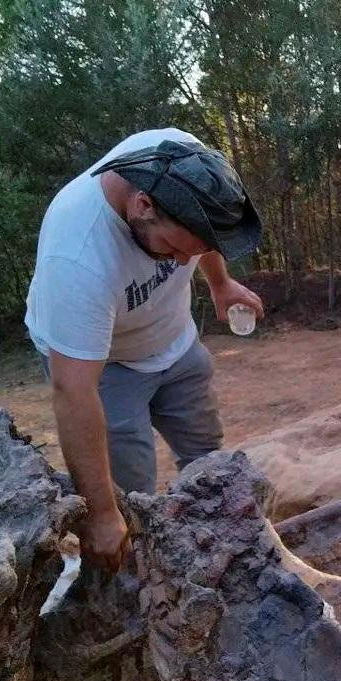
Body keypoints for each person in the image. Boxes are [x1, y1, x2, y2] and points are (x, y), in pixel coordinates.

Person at [24, 128, 264, 572]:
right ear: (143, 205)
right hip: (106, 366)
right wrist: (98, 514)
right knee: (125, 499)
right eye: (172, 249)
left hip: (174, 343)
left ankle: (215, 561)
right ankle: (133, 591)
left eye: (189, 254)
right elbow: (73, 391)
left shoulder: (182, 160)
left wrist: (219, 282)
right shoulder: (77, 259)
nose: (179, 263)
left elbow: (202, 239)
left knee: (209, 460)